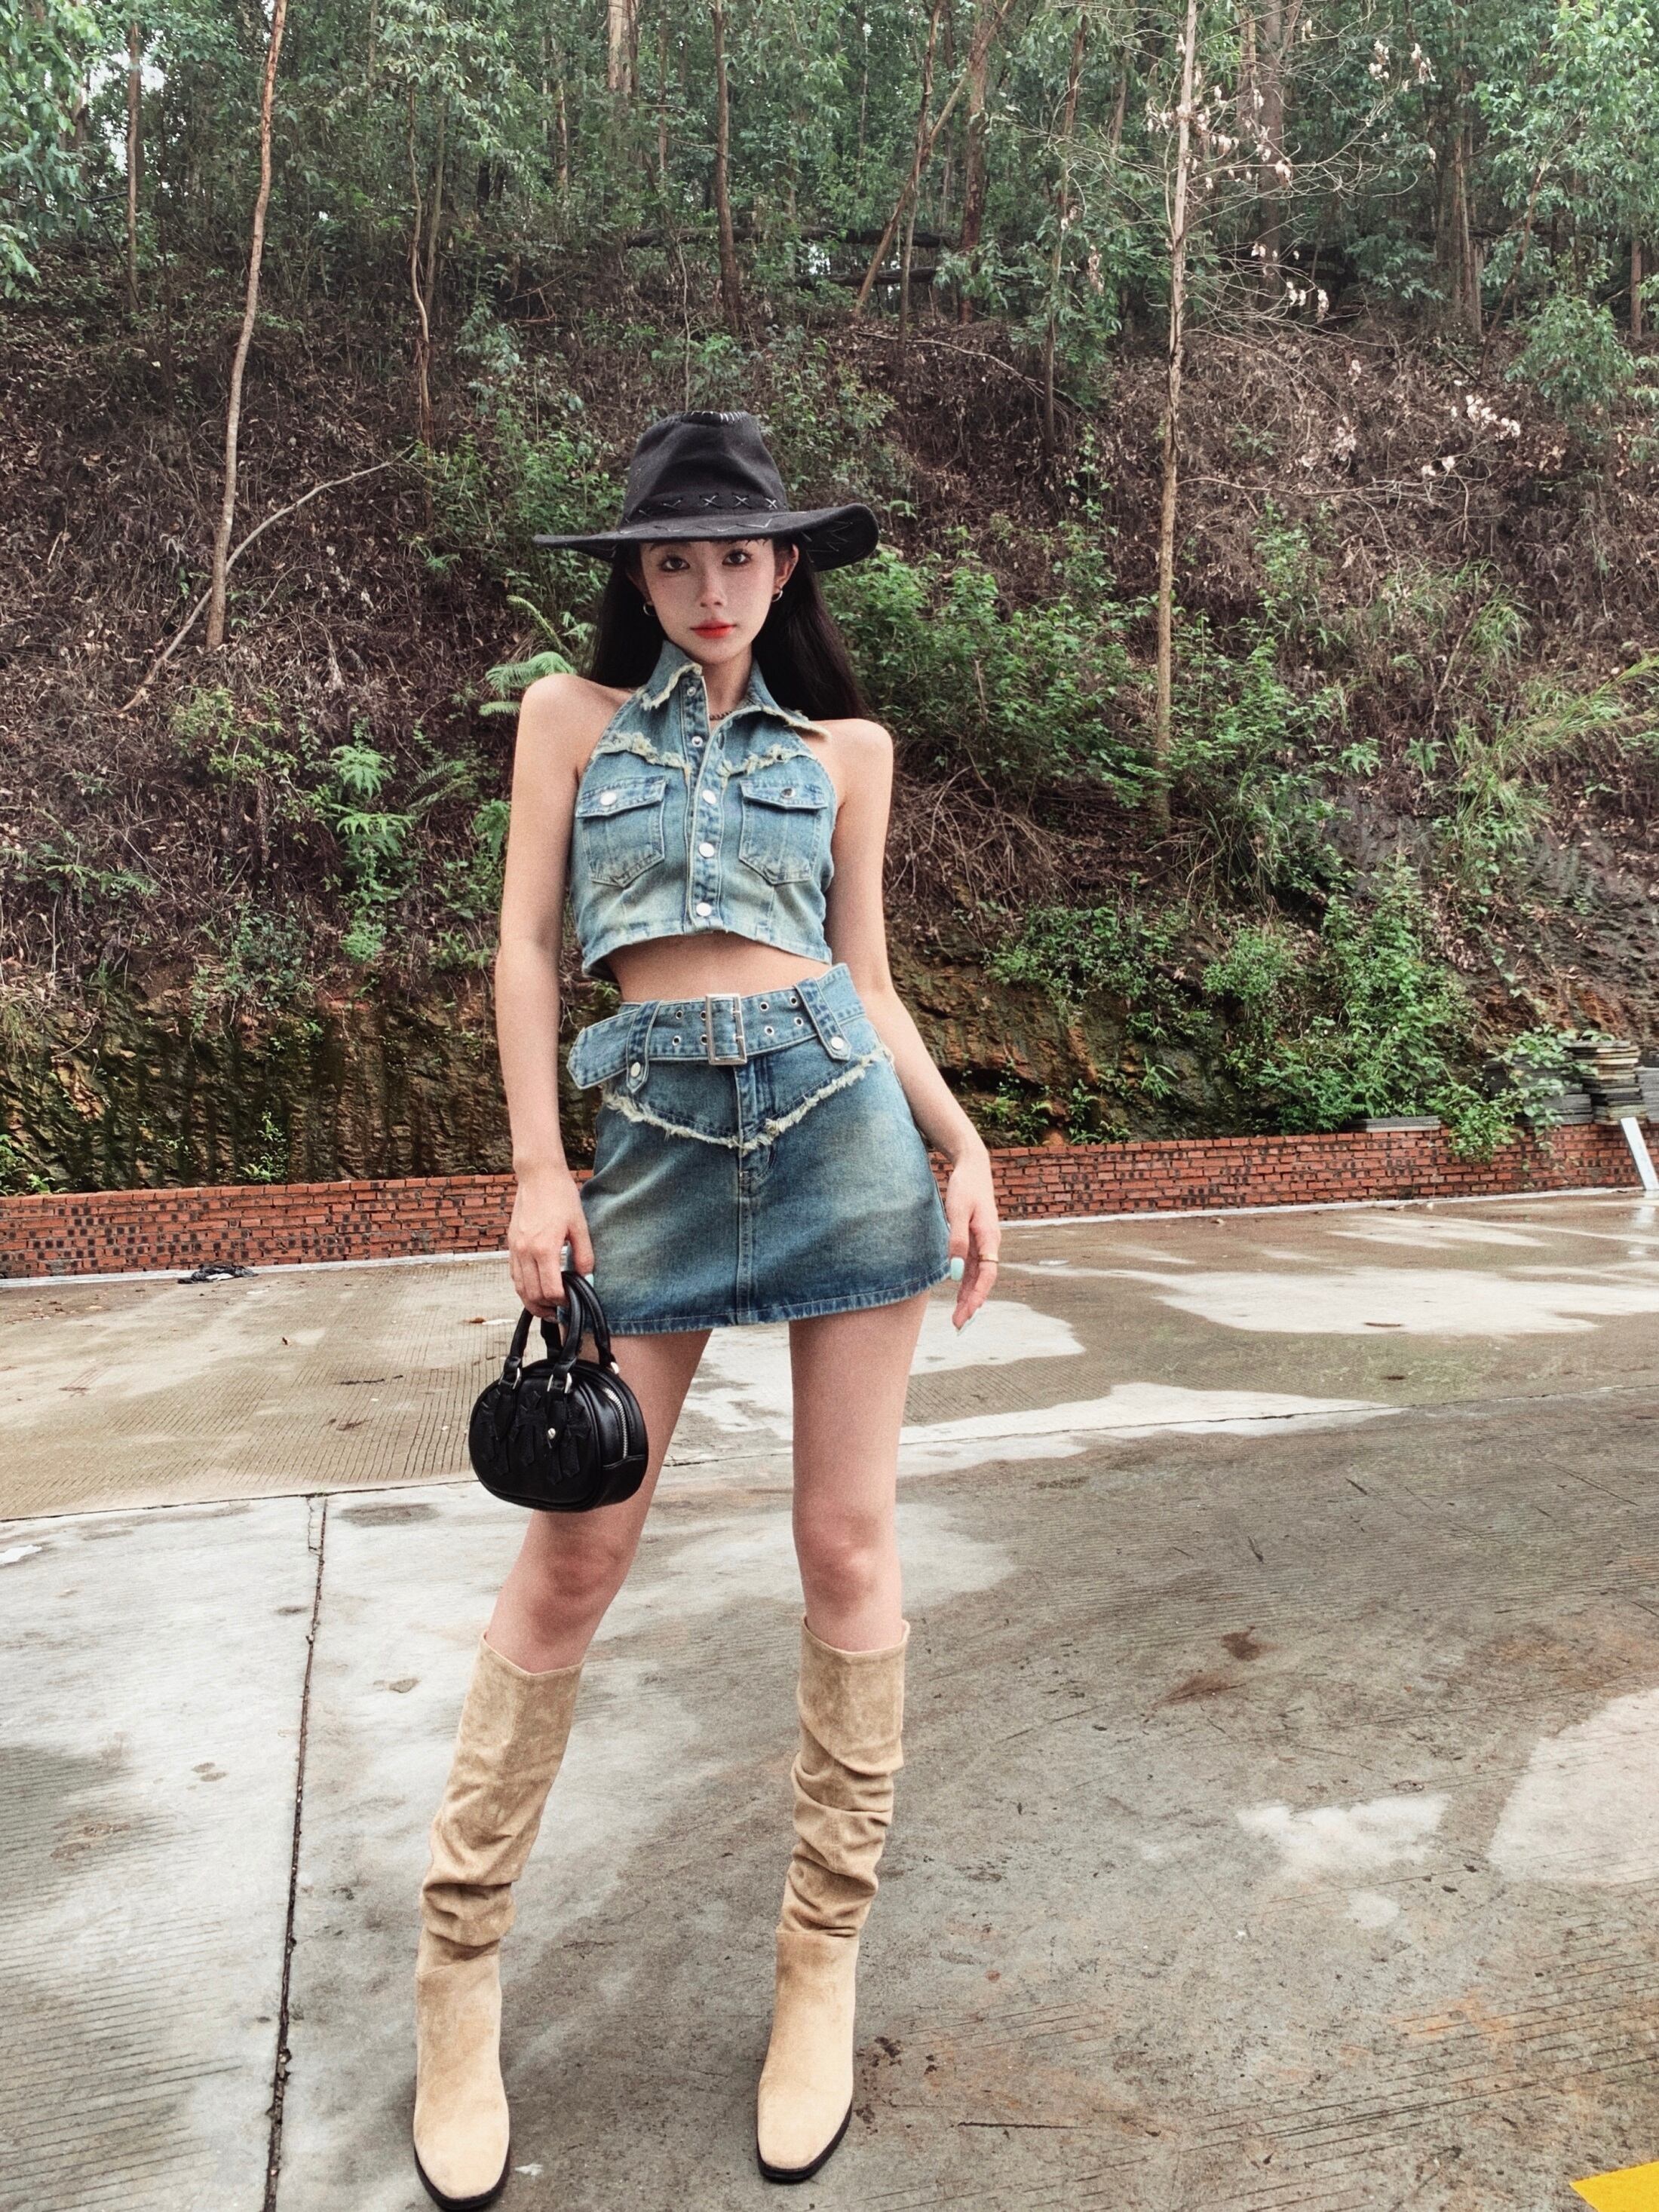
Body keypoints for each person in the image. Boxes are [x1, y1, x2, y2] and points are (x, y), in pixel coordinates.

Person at [410, 409, 1001, 2209]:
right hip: (650, 1156)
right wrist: (538, 1170)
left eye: (737, 557)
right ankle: (455, 1976)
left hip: (842, 1141)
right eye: (673, 562)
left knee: (844, 1547)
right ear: (640, 579)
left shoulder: (844, 752)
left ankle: (818, 1967)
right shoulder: (566, 720)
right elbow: (525, 948)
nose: (708, 589)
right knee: (573, 1558)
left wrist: (961, 1143)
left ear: (784, 564)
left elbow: (865, 977)